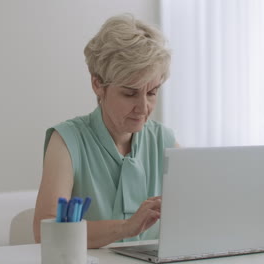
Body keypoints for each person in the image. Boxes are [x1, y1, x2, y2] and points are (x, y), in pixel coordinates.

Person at [33, 14, 177, 249]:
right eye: (130, 93)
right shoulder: (67, 141)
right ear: (97, 84)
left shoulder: (164, 140)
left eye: (152, 93)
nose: (143, 108)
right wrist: (126, 227)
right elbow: (44, 229)